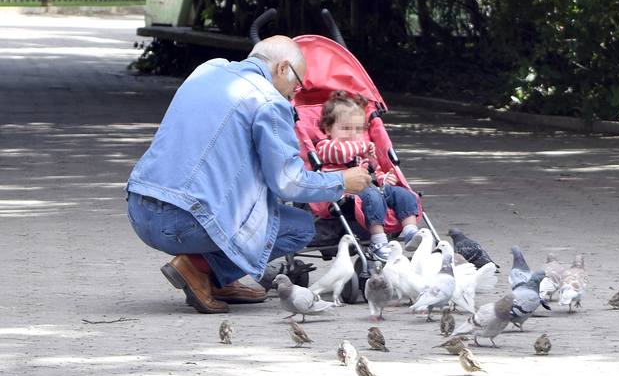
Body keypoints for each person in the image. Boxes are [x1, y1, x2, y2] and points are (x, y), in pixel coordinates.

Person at [126, 35, 374, 314]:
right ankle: (197, 269)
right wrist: (341, 181)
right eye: (297, 83)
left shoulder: (207, 69)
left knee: (246, 202)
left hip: (139, 208)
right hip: (184, 221)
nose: (295, 93)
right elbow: (288, 182)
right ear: (282, 69)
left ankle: (215, 280)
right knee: (301, 227)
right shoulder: (269, 100)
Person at [314, 90, 420, 258]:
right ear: (328, 128)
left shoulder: (359, 152)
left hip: (368, 188)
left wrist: (383, 178)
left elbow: (371, 171)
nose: (352, 134)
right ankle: (378, 240)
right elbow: (340, 153)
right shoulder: (326, 146)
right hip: (344, 193)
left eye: (358, 130)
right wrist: (362, 147)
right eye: (346, 128)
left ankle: (411, 231)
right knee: (372, 195)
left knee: (403, 194)